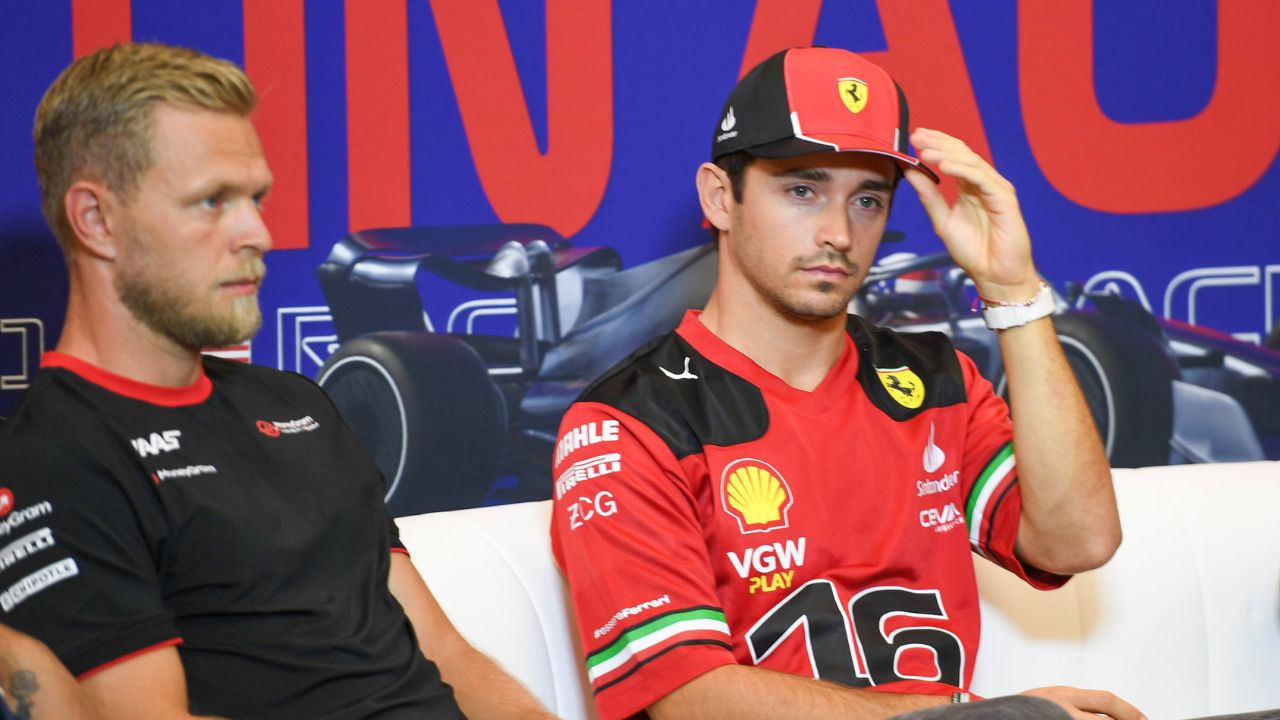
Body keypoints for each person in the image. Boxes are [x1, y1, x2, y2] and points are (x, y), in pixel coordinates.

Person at [550, 46, 1138, 720]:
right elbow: (690, 698)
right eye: (802, 190)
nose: (838, 233)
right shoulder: (628, 423)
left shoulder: (933, 379)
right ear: (720, 197)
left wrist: (1012, 292)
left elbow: (1077, 542)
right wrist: (969, 718)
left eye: (867, 200)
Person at [0, 42, 552, 719]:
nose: (258, 231)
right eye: (211, 202)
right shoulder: (55, 461)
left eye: (256, 198)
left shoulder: (298, 404)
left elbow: (446, 653)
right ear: (97, 220)